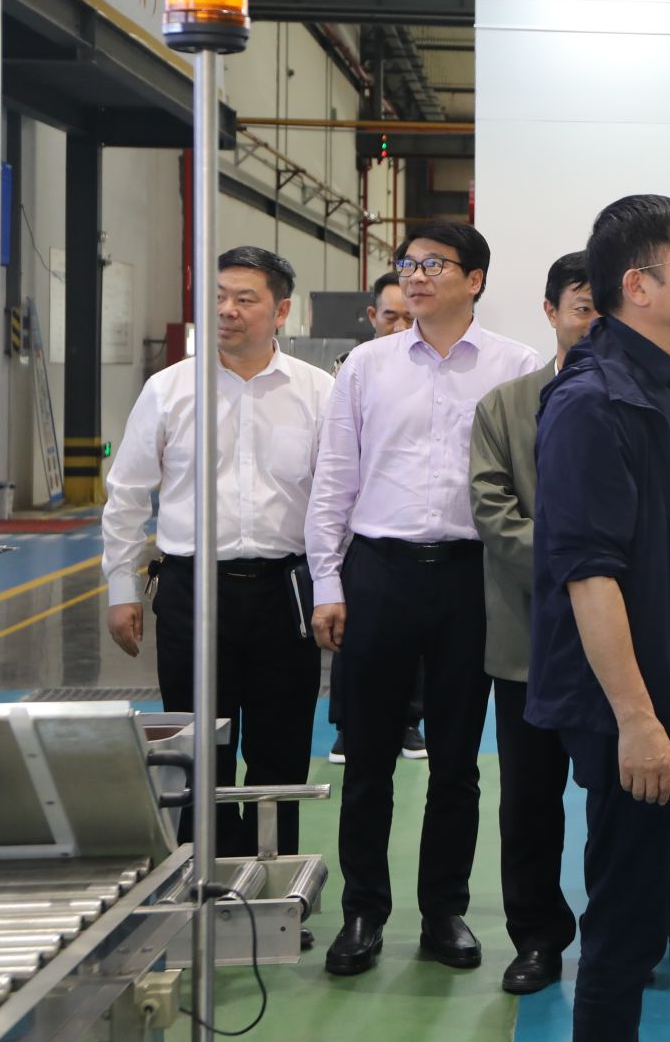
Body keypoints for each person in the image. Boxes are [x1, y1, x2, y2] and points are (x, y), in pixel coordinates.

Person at [527, 195, 670, 1042]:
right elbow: (588, 575)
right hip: (642, 705)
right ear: (639, 285)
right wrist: (637, 719)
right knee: (627, 919)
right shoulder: (593, 402)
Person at [307, 222, 544, 978]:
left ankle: (444, 909)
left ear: (474, 279)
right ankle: (363, 912)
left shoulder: (516, 365)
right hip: (379, 571)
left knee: (457, 758)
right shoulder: (366, 366)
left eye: (433, 264)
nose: (414, 275)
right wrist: (327, 581)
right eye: (407, 263)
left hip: (473, 578)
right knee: (368, 755)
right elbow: (334, 480)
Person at [102, 247, 333, 858]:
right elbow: (127, 494)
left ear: (281, 311)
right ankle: (202, 878)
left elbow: (336, 500)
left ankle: (273, 883)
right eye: (219, 297)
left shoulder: (319, 393)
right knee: (197, 748)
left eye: (245, 299)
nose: (227, 310)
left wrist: (334, 590)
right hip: (192, 592)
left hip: (287, 593)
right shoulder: (169, 389)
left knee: (280, 751)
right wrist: (121, 590)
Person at [468, 251, 596, 995]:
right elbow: (492, 508)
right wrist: (581, 569)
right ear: (550, 312)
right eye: (581, 307)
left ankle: (620, 933)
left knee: (621, 798)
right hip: (530, 636)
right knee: (528, 801)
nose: (594, 322)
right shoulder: (506, 406)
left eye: (606, 308)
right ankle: (538, 938)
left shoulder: (648, 401)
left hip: (625, 642)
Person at [328, 268, 423, 767]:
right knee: (355, 641)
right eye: (391, 316)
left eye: (409, 317)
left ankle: (409, 721)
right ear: (372, 316)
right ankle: (348, 727)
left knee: (415, 644)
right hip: (361, 536)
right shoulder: (351, 370)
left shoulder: (430, 371)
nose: (400, 326)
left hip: (411, 528)